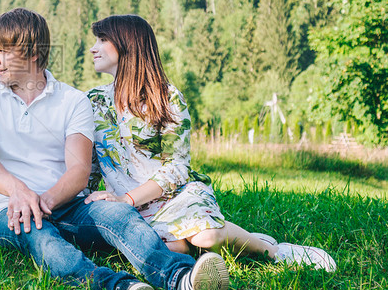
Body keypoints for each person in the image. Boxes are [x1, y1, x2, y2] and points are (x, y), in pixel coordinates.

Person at [0, 8, 230, 290]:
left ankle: (181, 279)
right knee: (41, 237)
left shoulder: (73, 100)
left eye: (2, 51)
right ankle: (119, 288)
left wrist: (46, 200)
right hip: (6, 211)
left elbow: (78, 170)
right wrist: (21, 193)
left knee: (118, 213)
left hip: (65, 203)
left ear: (32, 52)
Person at [85, 14, 336, 271]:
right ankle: (221, 240)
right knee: (175, 248)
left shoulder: (166, 97)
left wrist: (127, 199)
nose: (93, 47)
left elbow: (176, 167)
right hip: (128, 209)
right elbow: (88, 164)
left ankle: (273, 251)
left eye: (102, 39)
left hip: (175, 196)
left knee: (206, 237)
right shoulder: (92, 101)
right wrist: (84, 203)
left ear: (128, 44)